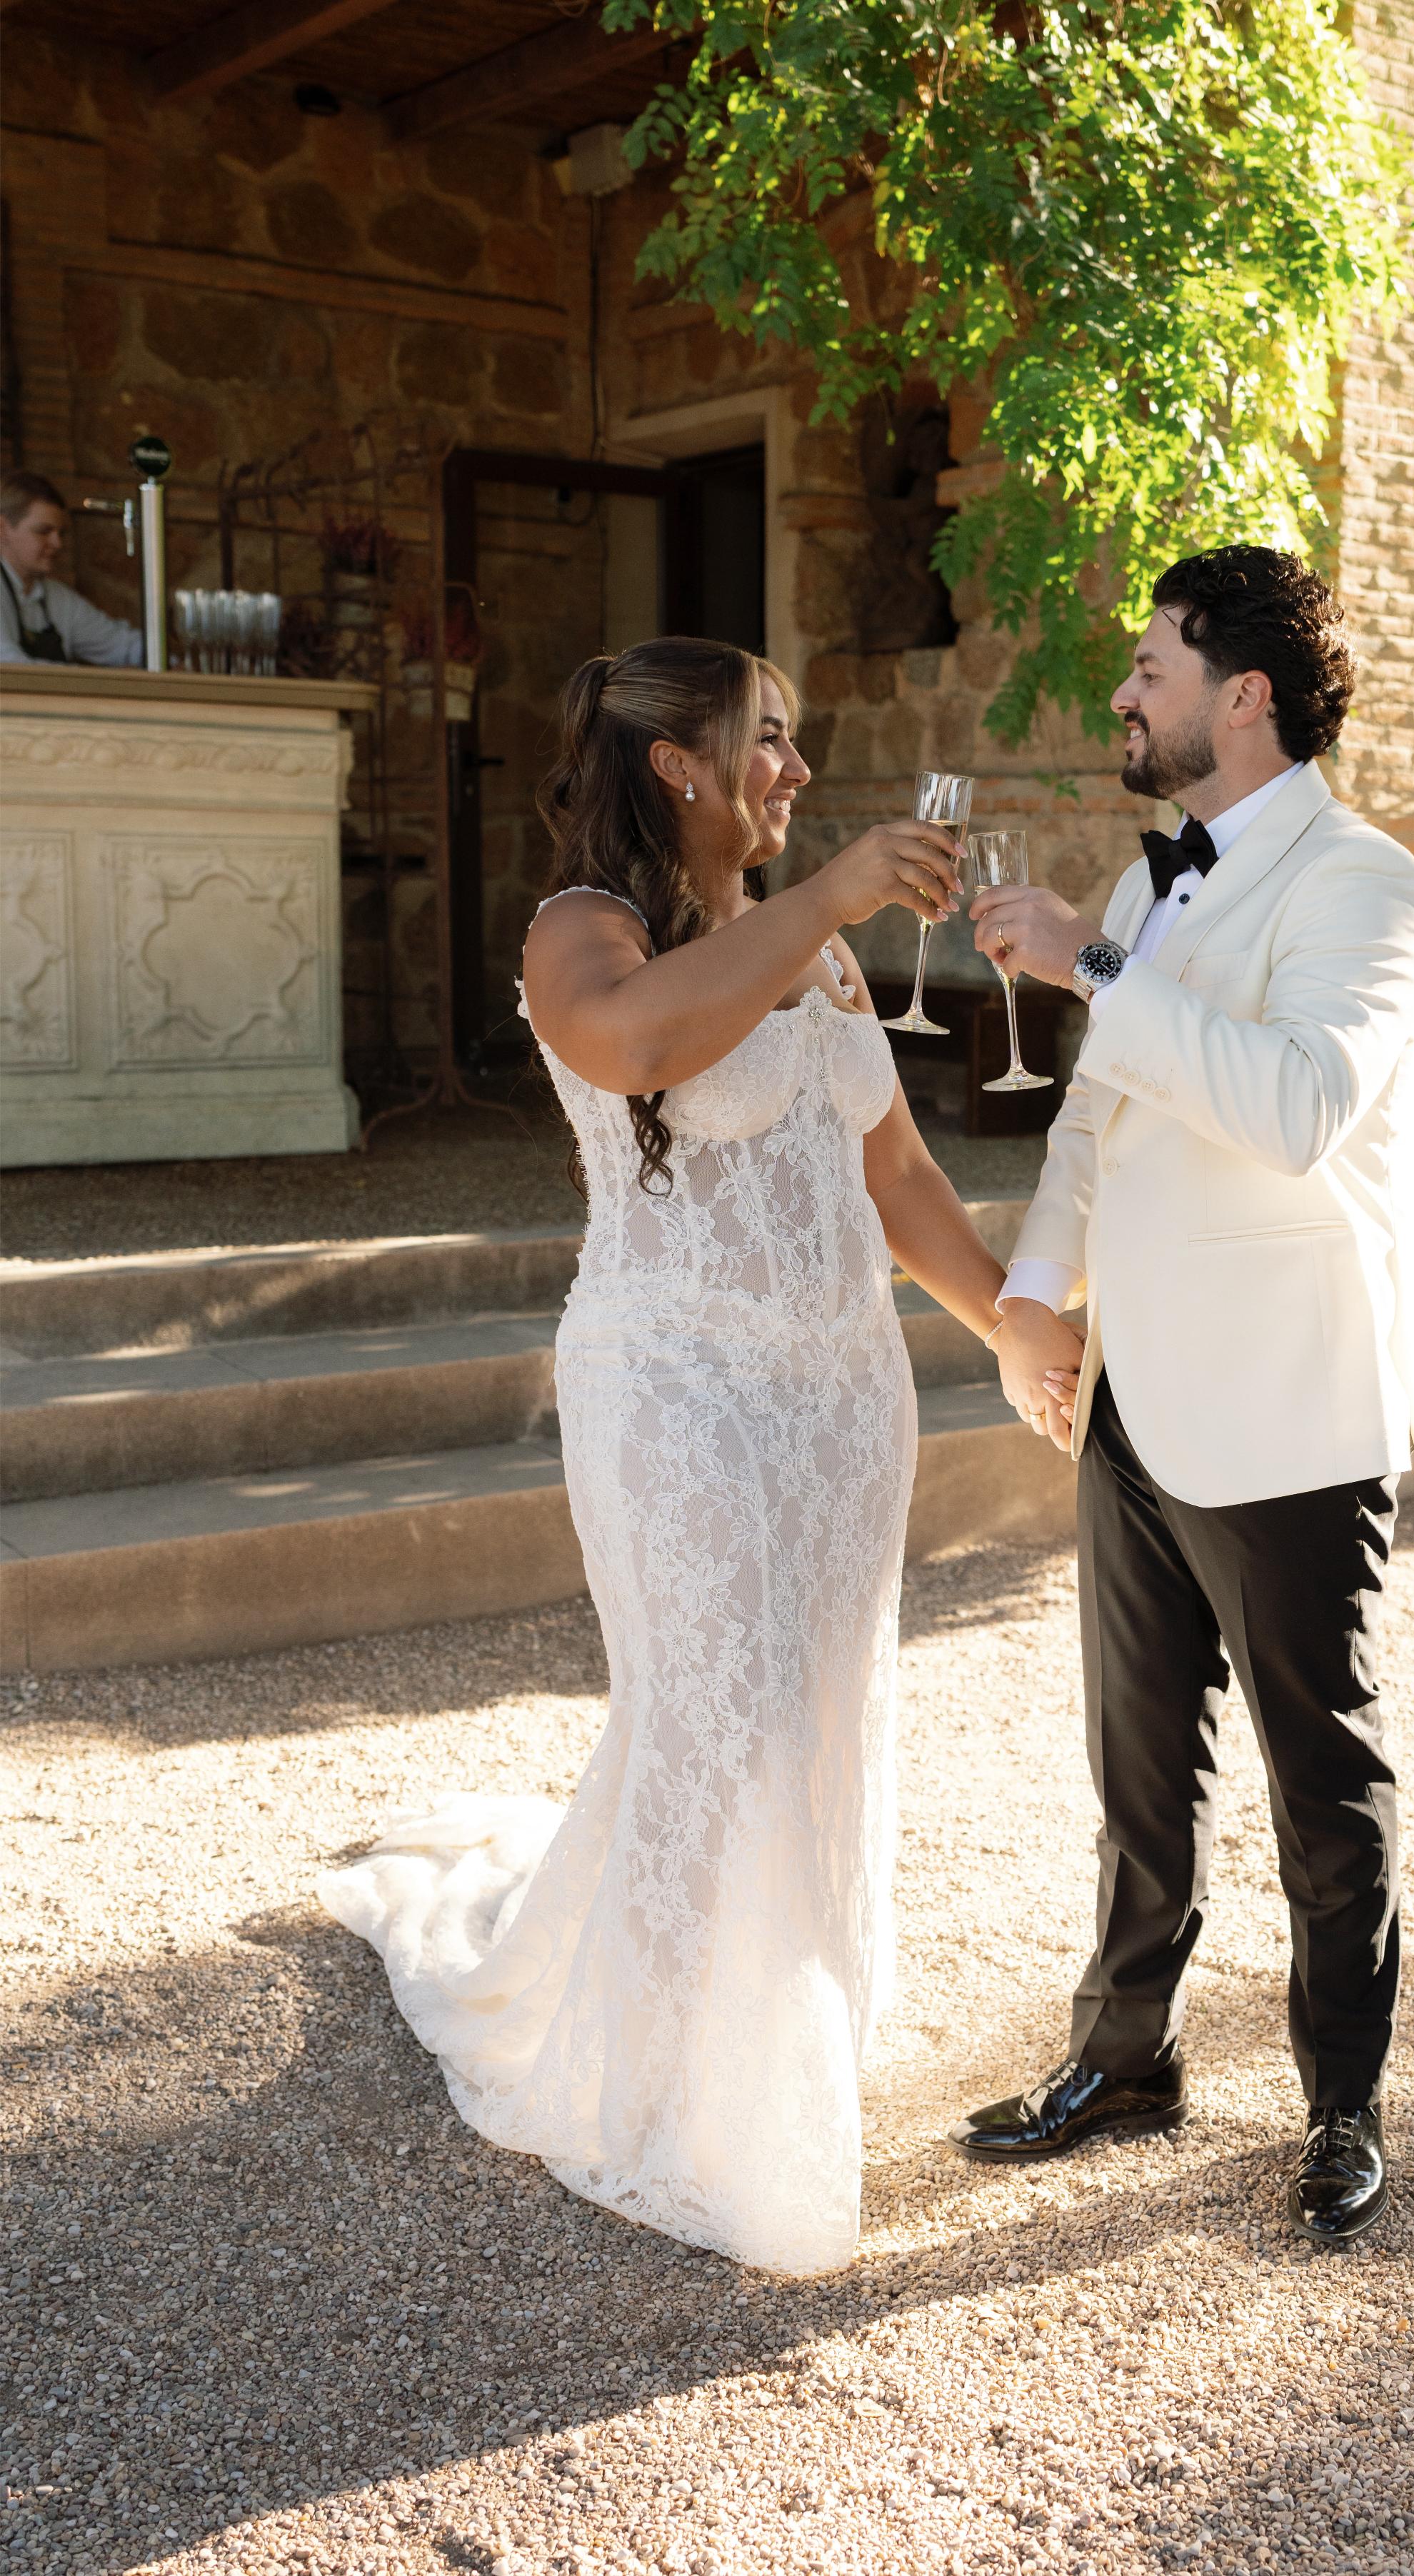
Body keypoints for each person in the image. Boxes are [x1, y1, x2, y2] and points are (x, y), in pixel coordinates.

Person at [323, 637, 1006, 2275]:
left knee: (809, 1709)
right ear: (675, 766)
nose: (790, 766)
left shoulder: (820, 955)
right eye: (763, 741)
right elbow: (634, 1047)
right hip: (668, 1386)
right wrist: (831, 897)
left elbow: (898, 1176)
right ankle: (665, 2097)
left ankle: (773, 2032)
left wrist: (1013, 1327)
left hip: (840, 1398)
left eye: (796, 741)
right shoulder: (586, 931)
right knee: (709, 1713)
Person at [956, 546, 1414, 2242]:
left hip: (1287, 1405)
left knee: (1320, 1773)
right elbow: (1096, 1124)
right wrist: (1031, 1295)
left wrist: (1097, 970)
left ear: (1240, 695)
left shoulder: (1365, 885)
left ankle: (1337, 2103)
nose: (1122, 692)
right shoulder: (1147, 877)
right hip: (1133, 1396)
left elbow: (1299, 1101)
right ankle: (1127, 2056)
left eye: (1149, 666)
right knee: (1133, 1759)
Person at [0, 471, 144, 666]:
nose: (57, 543)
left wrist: (171, 659)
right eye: (44, 531)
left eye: (61, 533)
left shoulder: (57, 598)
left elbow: (123, 646)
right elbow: (11, 666)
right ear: (3, 529)